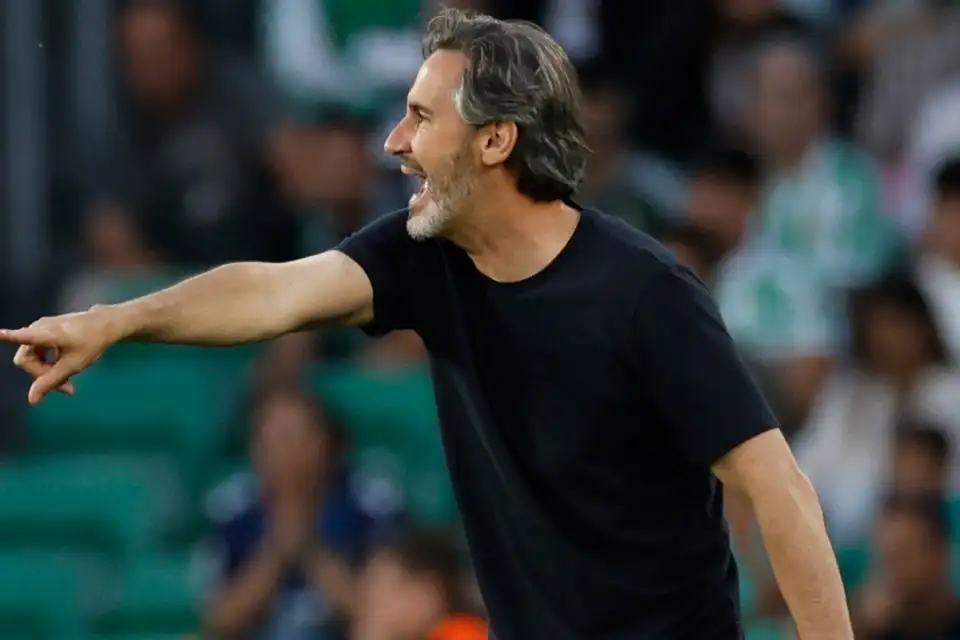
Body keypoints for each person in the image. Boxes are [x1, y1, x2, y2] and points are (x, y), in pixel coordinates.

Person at [1, 8, 851, 639]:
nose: (393, 142)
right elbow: (270, 293)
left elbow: (779, 490)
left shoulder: (646, 295)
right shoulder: (423, 256)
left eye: (421, 116)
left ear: (496, 141)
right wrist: (115, 321)